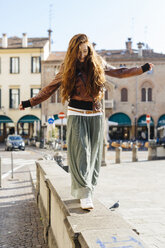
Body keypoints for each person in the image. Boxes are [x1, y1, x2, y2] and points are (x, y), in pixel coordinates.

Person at [19, 34, 153, 210]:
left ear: (89, 50)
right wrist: (30, 102)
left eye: (85, 51)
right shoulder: (67, 67)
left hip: (96, 114)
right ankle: (85, 193)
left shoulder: (97, 62)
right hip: (76, 113)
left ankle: (87, 189)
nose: (82, 55)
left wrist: (141, 69)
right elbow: (50, 89)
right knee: (81, 152)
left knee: (94, 156)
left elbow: (119, 72)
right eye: (79, 52)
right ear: (73, 51)